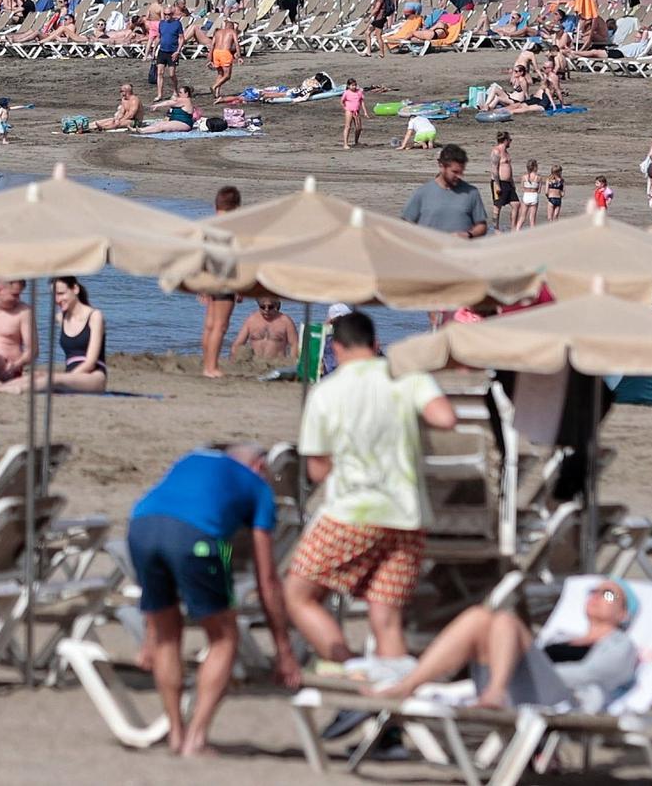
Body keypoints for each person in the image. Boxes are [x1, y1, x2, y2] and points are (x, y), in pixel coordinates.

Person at [285, 312, 459, 671]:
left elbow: (318, 469)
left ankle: (351, 668)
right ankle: (393, 696)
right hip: (408, 514)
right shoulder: (405, 377)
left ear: (335, 348)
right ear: (375, 343)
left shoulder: (325, 392)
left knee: (297, 594)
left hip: (356, 512)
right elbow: (445, 417)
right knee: (386, 615)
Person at [127, 443, 301, 757]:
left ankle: (176, 735)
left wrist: (149, 635)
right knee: (223, 637)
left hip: (140, 526)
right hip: (196, 536)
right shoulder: (258, 487)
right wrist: (283, 649)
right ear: (260, 466)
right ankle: (196, 738)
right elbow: (268, 579)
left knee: (168, 636)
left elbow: (167, 514)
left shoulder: (190, 457)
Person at [377, 578, 641, 713]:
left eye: (608, 594)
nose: (596, 596)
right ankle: (409, 685)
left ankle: (495, 691)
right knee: (478, 617)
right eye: (593, 591)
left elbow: (592, 675)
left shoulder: (621, 645)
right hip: (522, 685)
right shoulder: (559, 638)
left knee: (505, 620)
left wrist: (529, 669)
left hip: (561, 698)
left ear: (624, 614)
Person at [0, 277, 106, 394]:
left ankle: (14, 390)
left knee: (53, 379)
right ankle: (1, 386)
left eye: (61, 293)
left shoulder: (95, 316)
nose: (57, 300)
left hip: (93, 376)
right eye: (54, 295)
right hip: (71, 376)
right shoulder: (61, 318)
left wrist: (66, 377)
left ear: (75, 289)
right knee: (37, 375)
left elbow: (91, 362)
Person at [198, 186, 241, 379]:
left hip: (209, 278)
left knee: (210, 324)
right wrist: (240, 286)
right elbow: (235, 258)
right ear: (237, 206)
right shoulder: (231, 227)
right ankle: (211, 367)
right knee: (220, 325)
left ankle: (207, 364)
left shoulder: (208, 225)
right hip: (224, 280)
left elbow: (202, 255)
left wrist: (202, 284)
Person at [402, 145, 489, 239]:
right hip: (430, 251)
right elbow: (405, 224)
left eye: (461, 172)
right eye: (455, 172)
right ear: (442, 166)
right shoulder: (422, 192)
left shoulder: (472, 192)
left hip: (461, 251)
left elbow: (482, 226)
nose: (459, 176)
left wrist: (469, 234)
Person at [231, 295, 299, 366]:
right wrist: (233, 361)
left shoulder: (286, 321)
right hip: (255, 364)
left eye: (270, 307)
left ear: (276, 306)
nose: (266, 310)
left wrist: (292, 363)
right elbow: (238, 344)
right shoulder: (251, 320)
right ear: (258, 305)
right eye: (262, 307)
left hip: (278, 364)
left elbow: (294, 345)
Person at [152, 4, 183, 102]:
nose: (166, 16)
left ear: (172, 14)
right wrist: (153, 50)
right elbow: (159, 37)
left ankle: (175, 91)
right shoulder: (161, 23)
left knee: (171, 74)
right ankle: (159, 94)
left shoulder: (177, 24)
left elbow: (182, 38)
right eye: (165, 14)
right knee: (159, 72)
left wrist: (178, 51)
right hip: (162, 51)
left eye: (168, 14)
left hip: (172, 52)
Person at [208, 17, 240, 101]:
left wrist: (210, 58)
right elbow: (236, 44)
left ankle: (217, 94)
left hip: (216, 52)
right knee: (227, 75)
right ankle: (214, 86)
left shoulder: (217, 32)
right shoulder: (232, 32)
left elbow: (212, 46)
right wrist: (239, 56)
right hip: (225, 53)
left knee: (220, 74)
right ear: (232, 27)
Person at [489, 133, 516, 231]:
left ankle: (514, 228)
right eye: (510, 140)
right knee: (497, 206)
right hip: (499, 182)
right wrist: (497, 185)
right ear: (505, 140)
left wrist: (512, 182)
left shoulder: (506, 152)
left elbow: (509, 168)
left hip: (508, 183)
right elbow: (494, 169)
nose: (510, 142)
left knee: (516, 204)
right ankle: (496, 229)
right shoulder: (496, 151)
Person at [516, 159, 543, 232]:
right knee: (532, 219)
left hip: (526, 195)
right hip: (534, 196)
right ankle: (532, 235)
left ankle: (517, 232)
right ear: (535, 167)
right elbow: (539, 190)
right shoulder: (539, 177)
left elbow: (522, 188)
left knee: (522, 217)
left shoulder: (524, 177)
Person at [341, 78, 366, 149]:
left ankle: (356, 141)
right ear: (349, 86)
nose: (354, 87)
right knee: (348, 127)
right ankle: (345, 143)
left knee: (359, 127)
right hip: (349, 111)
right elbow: (342, 102)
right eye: (352, 85)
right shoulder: (346, 92)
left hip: (357, 111)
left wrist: (365, 112)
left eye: (355, 85)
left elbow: (362, 102)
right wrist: (345, 108)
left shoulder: (359, 92)